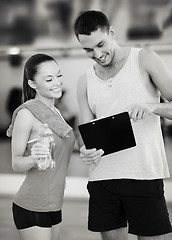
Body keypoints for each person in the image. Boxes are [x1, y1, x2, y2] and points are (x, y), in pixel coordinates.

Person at [74, 10, 172, 240]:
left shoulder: (144, 58)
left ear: (112, 33)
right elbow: (84, 133)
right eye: (88, 49)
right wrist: (84, 149)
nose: (97, 54)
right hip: (102, 178)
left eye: (101, 44)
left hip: (143, 175)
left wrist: (153, 107)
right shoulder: (84, 80)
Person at [6, 54, 75, 240]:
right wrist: (32, 159)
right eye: (49, 79)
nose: (57, 82)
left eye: (58, 75)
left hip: (55, 204)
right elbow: (16, 163)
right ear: (33, 84)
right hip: (32, 205)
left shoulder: (56, 112)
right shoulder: (26, 114)